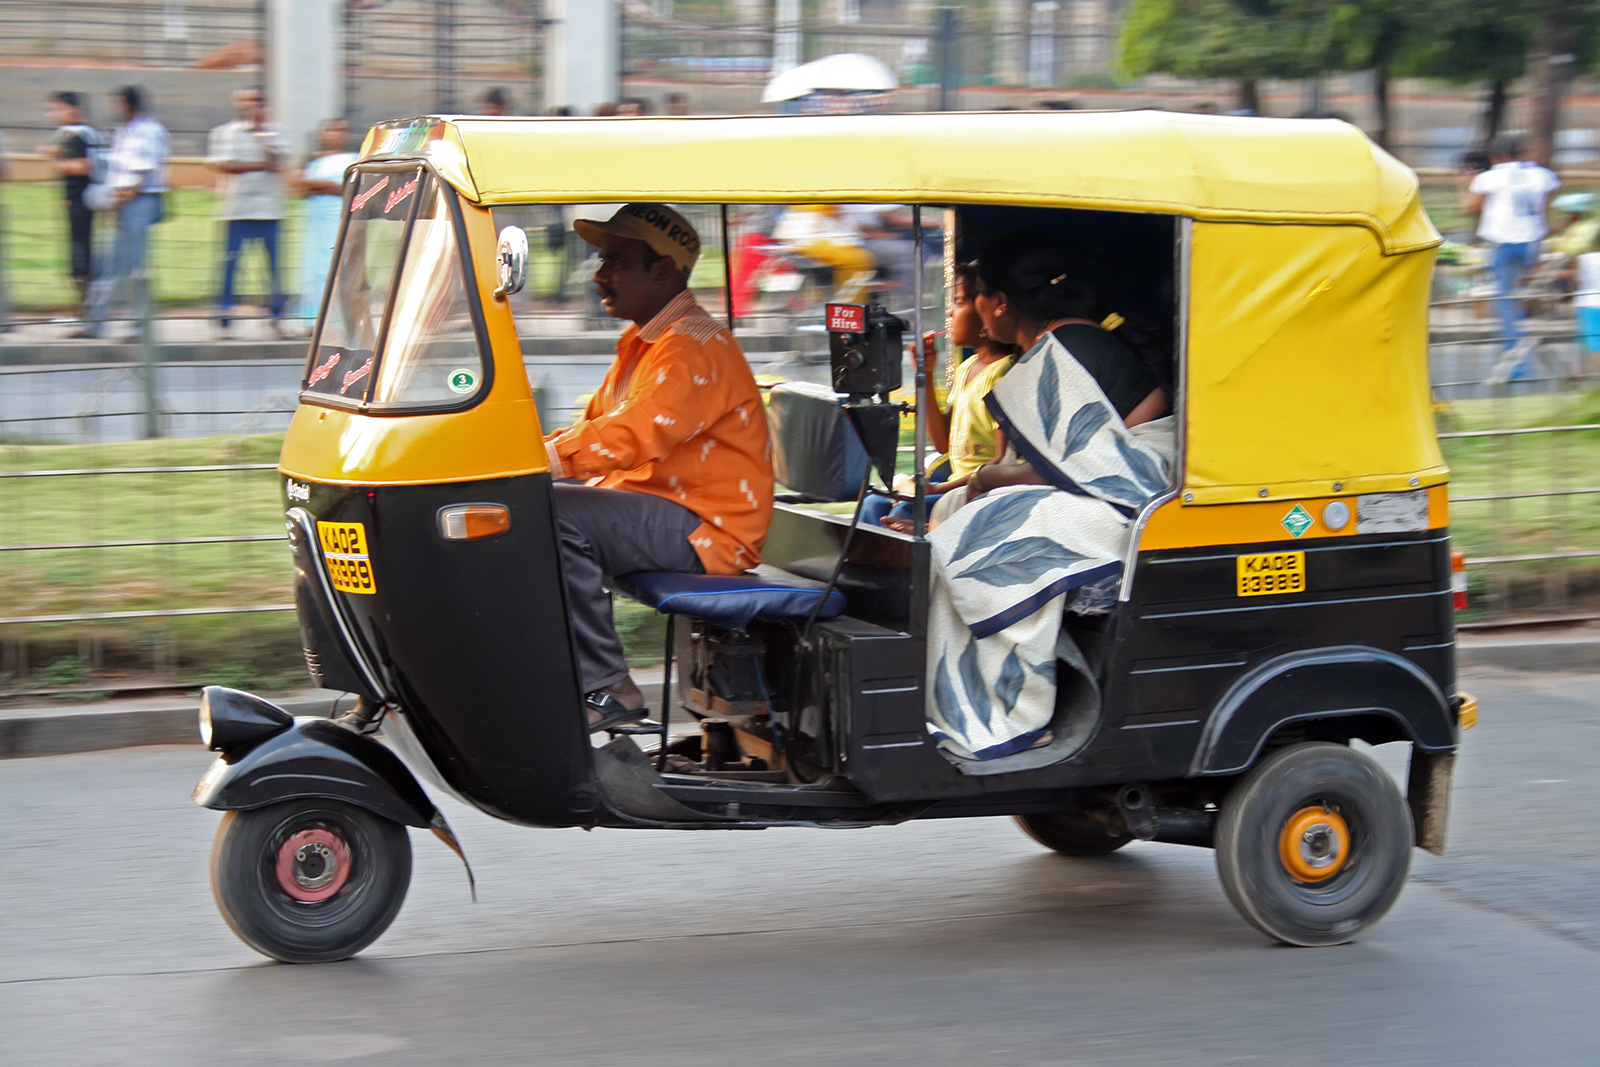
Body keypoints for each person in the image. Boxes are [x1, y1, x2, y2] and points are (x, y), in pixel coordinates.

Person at [546, 204, 773, 730]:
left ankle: (607, 687)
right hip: (662, 512)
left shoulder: (689, 347)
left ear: (663, 271)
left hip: (705, 530)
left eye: (617, 261)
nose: (600, 274)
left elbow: (634, 433)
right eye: (604, 260)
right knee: (530, 502)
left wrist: (540, 464)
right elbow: (592, 430)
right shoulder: (645, 343)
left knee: (553, 512)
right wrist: (514, 456)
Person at [959, 243, 1170, 502]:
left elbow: (1065, 467)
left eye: (978, 293)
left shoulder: (1061, 347)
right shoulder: (1060, 338)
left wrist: (984, 476)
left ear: (1000, 302)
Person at [865, 260, 1017, 529]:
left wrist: (938, 489)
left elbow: (1001, 461)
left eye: (959, 303)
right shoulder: (966, 369)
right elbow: (942, 443)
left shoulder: (1004, 374)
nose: (949, 313)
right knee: (872, 504)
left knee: (903, 512)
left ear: (985, 311)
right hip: (953, 487)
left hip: (978, 493)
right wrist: (924, 373)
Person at [80, 86, 169, 339]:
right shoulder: (124, 131)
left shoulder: (148, 131)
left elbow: (141, 175)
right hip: (122, 202)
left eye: (118, 104)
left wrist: (119, 201)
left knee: (134, 268)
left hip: (138, 202)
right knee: (109, 265)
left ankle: (139, 328)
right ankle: (94, 324)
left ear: (128, 104)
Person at [1467, 133, 1560, 356]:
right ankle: (1525, 338)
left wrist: (1462, 185)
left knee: (1505, 298)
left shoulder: (1489, 177)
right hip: (1532, 241)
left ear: (1500, 155)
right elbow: (1544, 209)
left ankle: (1513, 352)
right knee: (1523, 296)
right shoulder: (1542, 175)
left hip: (1503, 241)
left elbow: (1471, 207)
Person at [208, 87, 288, 337]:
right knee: (231, 267)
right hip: (236, 209)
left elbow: (279, 163)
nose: (254, 106)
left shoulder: (277, 132)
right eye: (248, 101)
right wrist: (263, 165)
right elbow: (226, 165)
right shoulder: (225, 133)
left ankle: (276, 320)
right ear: (238, 104)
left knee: (273, 269)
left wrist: (261, 136)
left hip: (269, 211)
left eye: (259, 101)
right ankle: (225, 321)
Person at [41, 91, 102, 320]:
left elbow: (83, 166)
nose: (52, 114)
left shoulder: (76, 135)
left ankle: (85, 311)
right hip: (82, 201)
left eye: (57, 109)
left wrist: (57, 161)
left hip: (80, 203)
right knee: (81, 251)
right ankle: (84, 309)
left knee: (80, 253)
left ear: (72, 109)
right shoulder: (85, 133)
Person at [294, 118, 358, 324]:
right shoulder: (313, 162)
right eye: (332, 130)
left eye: (343, 130)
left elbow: (349, 188)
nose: (337, 134)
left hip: (341, 220)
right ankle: (313, 319)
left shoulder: (355, 159)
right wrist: (328, 186)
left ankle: (339, 320)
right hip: (317, 223)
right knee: (316, 270)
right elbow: (301, 187)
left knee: (341, 267)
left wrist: (321, 187)